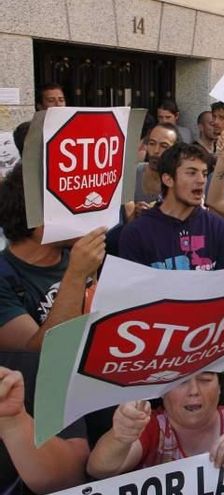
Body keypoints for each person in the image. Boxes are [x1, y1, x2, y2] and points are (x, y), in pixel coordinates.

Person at [0, 164, 105, 494]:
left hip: (97, 408)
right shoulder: (5, 276)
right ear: (34, 215)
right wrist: (75, 277)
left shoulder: (84, 258)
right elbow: (37, 357)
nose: (83, 212)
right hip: (42, 434)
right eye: (68, 205)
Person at [87, 372, 224, 477]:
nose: (194, 391)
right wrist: (121, 436)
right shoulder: (150, 426)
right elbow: (99, 469)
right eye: (181, 382)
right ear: (163, 392)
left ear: (220, 387)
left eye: (205, 379)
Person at [119, 143, 224, 270]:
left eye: (204, 174)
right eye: (192, 173)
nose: (201, 180)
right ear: (168, 179)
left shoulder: (218, 227)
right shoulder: (136, 233)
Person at [133, 123, 179, 204]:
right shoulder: (132, 174)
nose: (156, 151)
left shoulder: (181, 181)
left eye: (164, 146)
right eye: (152, 144)